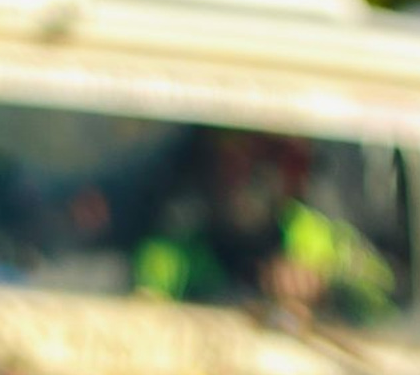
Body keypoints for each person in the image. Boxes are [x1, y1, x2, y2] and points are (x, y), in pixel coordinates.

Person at [132, 127, 395, 321]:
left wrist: (328, 289)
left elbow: (391, 305)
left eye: (261, 159)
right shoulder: (170, 255)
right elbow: (141, 321)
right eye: (231, 159)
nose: (245, 177)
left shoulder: (325, 240)